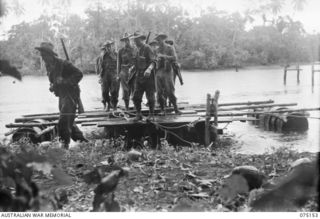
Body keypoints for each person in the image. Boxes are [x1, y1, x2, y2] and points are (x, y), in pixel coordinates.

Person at [35, 42, 88, 149]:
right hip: (62, 96)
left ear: (50, 55)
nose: (42, 58)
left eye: (44, 55)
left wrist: (65, 81)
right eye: (41, 56)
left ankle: (64, 146)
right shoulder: (48, 65)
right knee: (68, 120)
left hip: (71, 95)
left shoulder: (63, 64)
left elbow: (79, 74)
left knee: (64, 121)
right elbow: (53, 80)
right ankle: (83, 142)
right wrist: (53, 86)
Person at [130, 32, 157, 121]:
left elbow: (153, 61)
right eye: (134, 40)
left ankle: (151, 114)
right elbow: (137, 61)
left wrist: (149, 69)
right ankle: (138, 114)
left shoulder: (147, 48)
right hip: (139, 76)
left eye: (136, 39)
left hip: (148, 77)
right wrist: (133, 67)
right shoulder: (136, 49)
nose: (135, 41)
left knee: (150, 96)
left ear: (141, 39)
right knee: (135, 97)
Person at [154, 33, 181, 115]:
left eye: (159, 40)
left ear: (163, 39)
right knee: (159, 92)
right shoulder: (156, 50)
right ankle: (162, 110)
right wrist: (156, 59)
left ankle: (176, 109)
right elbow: (154, 60)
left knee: (170, 91)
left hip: (168, 71)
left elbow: (174, 58)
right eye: (157, 40)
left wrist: (163, 56)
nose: (158, 41)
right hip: (158, 71)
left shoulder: (170, 48)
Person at [96, 41, 119, 111]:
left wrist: (118, 74)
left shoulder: (116, 54)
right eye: (106, 46)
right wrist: (100, 76)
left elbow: (119, 65)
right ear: (105, 47)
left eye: (109, 46)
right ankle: (108, 104)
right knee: (104, 91)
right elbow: (99, 67)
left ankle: (114, 105)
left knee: (114, 91)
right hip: (105, 74)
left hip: (113, 74)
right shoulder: (102, 56)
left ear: (111, 46)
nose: (108, 48)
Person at [117, 33, 136, 110]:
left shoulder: (135, 49)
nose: (126, 42)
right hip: (124, 72)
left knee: (134, 89)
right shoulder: (120, 51)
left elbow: (137, 60)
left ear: (130, 41)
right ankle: (127, 107)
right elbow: (118, 63)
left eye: (127, 40)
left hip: (133, 72)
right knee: (125, 90)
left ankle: (136, 106)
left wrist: (134, 67)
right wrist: (118, 74)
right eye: (124, 41)